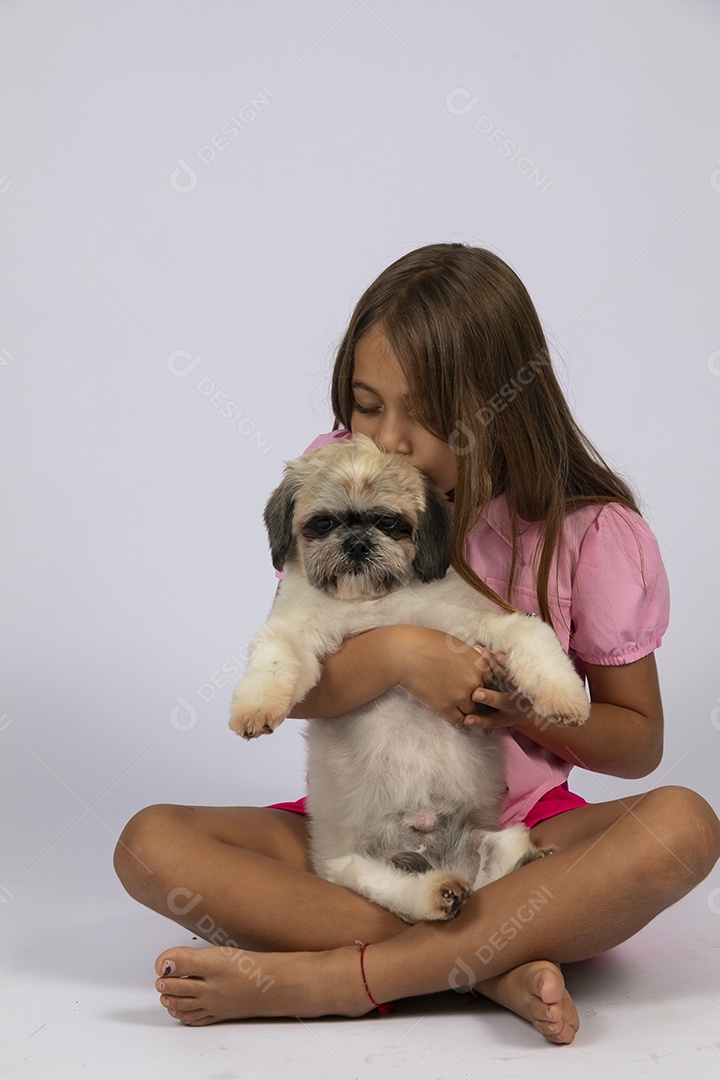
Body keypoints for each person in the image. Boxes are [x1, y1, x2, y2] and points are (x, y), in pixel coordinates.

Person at [114, 243, 720, 1043]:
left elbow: (639, 743)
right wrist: (401, 653)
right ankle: (492, 961)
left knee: (684, 826)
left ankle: (339, 980)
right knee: (151, 845)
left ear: (502, 404)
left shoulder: (592, 534)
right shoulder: (341, 480)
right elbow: (302, 680)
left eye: (427, 412)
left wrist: (516, 710)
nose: (388, 440)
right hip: (359, 817)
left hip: (522, 829)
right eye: (366, 405)